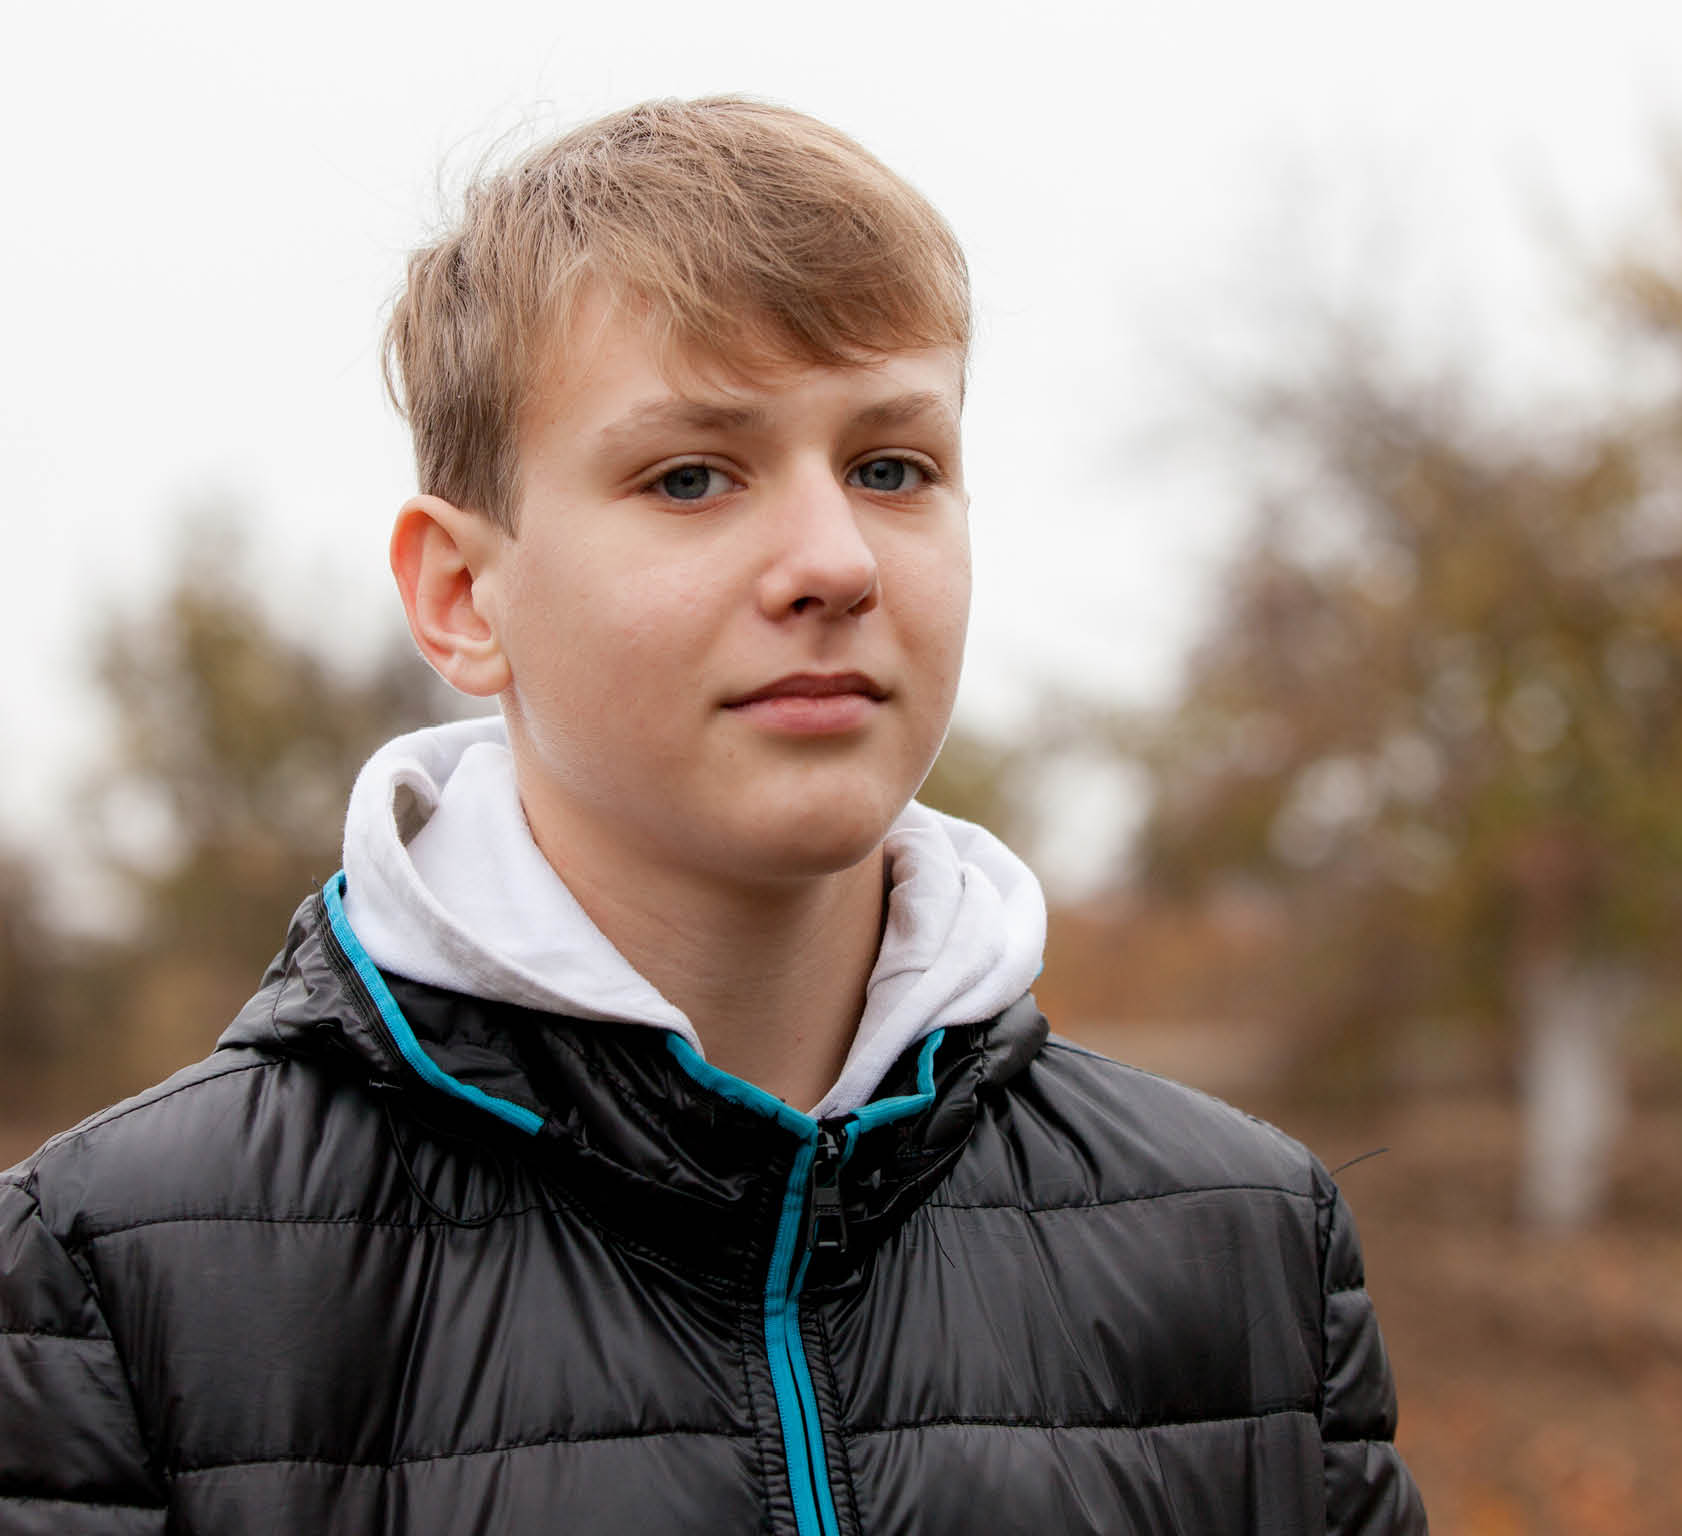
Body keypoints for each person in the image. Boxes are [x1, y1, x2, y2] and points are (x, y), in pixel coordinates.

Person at [0, 98, 1426, 1534]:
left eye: (892, 467)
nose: (833, 560)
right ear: (460, 595)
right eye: (692, 476)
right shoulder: (106, 1287)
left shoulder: (1244, 1243)